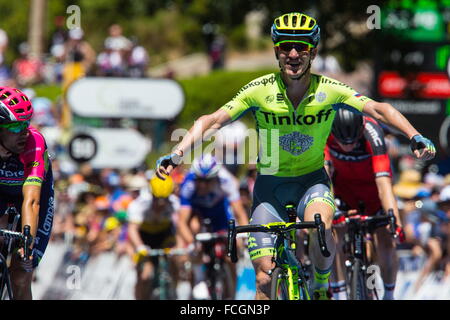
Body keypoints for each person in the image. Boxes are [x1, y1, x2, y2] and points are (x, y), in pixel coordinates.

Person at [155, 12, 436, 300]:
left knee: (321, 226)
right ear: (276, 50)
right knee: (264, 279)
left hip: (311, 183)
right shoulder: (259, 90)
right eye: (286, 47)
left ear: (312, 52)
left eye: (301, 47)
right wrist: (176, 153)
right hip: (269, 189)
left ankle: (322, 285)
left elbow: (379, 109)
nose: (293, 54)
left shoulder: (329, 90)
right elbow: (212, 120)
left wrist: (413, 135)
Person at [324, 109, 405, 300]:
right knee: (332, 235)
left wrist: (395, 220)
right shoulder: (325, 130)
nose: (349, 146)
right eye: (343, 142)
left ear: (360, 131)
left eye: (353, 141)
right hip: (343, 191)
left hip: (373, 193)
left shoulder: (372, 133)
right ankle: (340, 293)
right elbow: (324, 176)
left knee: (386, 239)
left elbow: (384, 183)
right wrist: (331, 211)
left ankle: (389, 295)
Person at [0, 86, 54, 299]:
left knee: (21, 275)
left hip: (30, 197)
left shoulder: (34, 142)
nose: (23, 131)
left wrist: (27, 241)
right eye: (15, 126)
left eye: (26, 123)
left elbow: (32, 201)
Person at [176, 154, 249, 298]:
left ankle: (231, 295)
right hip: (200, 216)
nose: (202, 185)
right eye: (199, 180)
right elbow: (182, 222)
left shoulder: (225, 180)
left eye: (207, 181)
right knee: (194, 230)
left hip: (221, 216)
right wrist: (192, 243)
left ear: (215, 177)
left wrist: (244, 236)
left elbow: (239, 213)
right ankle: (197, 280)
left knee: (231, 257)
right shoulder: (188, 184)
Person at [127, 174, 179, 300]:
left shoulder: (174, 203)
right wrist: (140, 247)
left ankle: (173, 291)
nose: (161, 204)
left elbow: (179, 228)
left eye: (164, 199)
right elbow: (132, 230)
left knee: (176, 261)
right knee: (144, 276)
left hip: (164, 236)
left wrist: (178, 247)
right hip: (144, 238)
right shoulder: (139, 204)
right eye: (157, 199)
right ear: (151, 194)